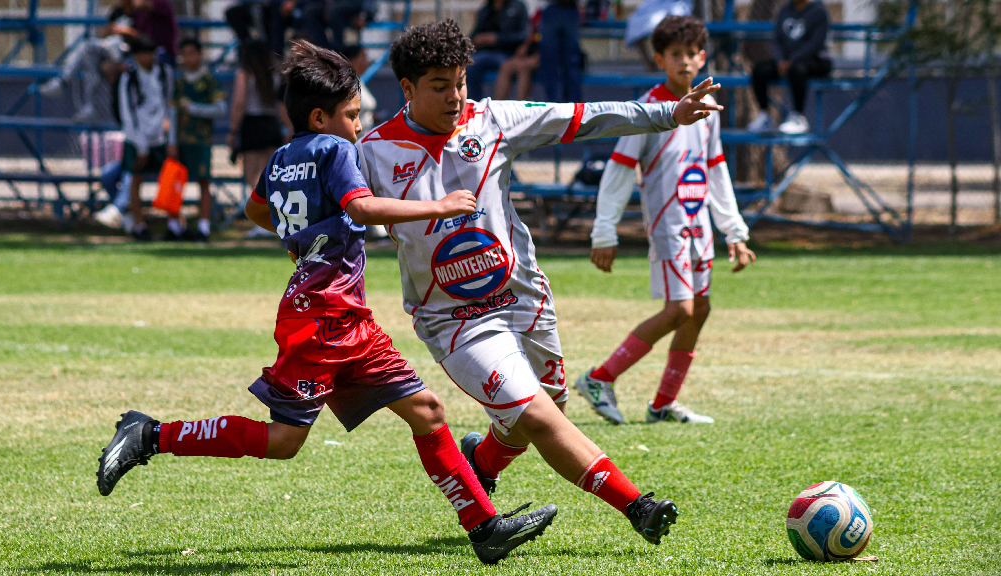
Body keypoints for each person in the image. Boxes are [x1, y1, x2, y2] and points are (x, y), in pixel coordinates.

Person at [96, 40, 557, 566]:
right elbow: (360, 208)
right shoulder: (334, 150)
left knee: (426, 412)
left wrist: (304, 232)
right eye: (353, 116)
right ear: (321, 117)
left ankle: (484, 526)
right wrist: (439, 204)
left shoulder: (280, 157)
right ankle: (151, 434)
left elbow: (256, 211)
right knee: (284, 440)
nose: (360, 127)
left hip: (337, 315)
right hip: (325, 318)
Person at [358, 20, 722, 545]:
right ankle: (637, 505)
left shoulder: (492, 121)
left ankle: (481, 465)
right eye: (440, 86)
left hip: (523, 299)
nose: (456, 96)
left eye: (461, 82)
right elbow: (336, 210)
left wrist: (670, 112)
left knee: (546, 402)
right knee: (537, 412)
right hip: (454, 320)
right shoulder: (373, 153)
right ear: (407, 89)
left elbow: (585, 117)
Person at [576, 16, 755, 426]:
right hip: (668, 227)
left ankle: (662, 405)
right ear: (660, 59)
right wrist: (604, 231)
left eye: (693, 54)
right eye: (676, 54)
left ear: (703, 57)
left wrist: (735, 231)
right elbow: (619, 171)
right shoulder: (648, 111)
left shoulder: (710, 108)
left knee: (701, 308)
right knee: (679, 310)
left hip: (700, 227)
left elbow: (717, 171)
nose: (686, 62)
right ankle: (600, 378)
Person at [229, 40, 291, 238]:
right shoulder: (273, 74)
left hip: (252, 124)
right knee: (271, 176)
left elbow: (239, 103)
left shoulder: (245, 73)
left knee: (253, 176)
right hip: (271, 124)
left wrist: (232, 130)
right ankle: (275, 219)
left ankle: (263, 222)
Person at [118, 35, 177, 242]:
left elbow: (170, 105)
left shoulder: (163, 73)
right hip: (137, 137)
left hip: (160, 136)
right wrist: (141, 146)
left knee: (169, 178)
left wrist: (171, 139)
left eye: (150, 53)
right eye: (141, 54)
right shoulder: (129, 78)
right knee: (136, 179)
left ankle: (174, 224)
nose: (146, 58)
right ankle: (139, 224)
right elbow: (128, 113)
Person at [39, 0, 137, 121]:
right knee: (89, 56)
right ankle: (86, 102)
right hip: (110, 51)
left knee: (89, 48)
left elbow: (141, 39)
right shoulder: (117, 12)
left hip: (128, 54)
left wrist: (125, 31)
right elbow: (104, 34)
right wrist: (112, 30)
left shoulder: (140, 14)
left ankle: (63, 81)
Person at [746, 0, 832, 135]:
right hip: (786, 62)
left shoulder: (819, 11)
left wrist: (792, 60)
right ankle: (765, 116)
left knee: (797, 70)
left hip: (814, 61)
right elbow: (776, 40)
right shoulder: (785, 10)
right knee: (760, 70)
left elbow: (815, 43)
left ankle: (798, 117)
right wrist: (780, 60)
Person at [172, 38, 228, 241]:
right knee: (176, 183)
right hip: (180, 141)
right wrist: (171, 141)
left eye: (192, 53)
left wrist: (194, 108)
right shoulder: (178, 82)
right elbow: (172, 112)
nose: (188, 58)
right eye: (184, 53)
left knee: (204, 182)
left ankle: (203, 226)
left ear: (200, 55)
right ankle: (176, 226)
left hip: (202, 140)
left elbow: (221, 108)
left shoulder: (209, 81)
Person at [466, 0, 529, 101]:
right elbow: (474, 35)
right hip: (483, 53)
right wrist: (477, 39)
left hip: (507, 54)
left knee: (506, 67)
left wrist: (497, 39)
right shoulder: (485, 10)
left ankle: (497, 106)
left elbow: (523, 35)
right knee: (469, 65)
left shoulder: (518, 7)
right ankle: (474, 104)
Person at [537, 0, 582, 102]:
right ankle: (553, 108)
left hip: (570, 9)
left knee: (572, 62)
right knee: (549, 62)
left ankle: (575, 110)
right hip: (551, 9)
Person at [492, 9, 540, 101]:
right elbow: (533, 34)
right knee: (506, 65)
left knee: (523, 67)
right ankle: (497, 105)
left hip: (545, 55)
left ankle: (520, 105)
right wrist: (525, 45)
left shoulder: (556, 12)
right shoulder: (539, 13)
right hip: (531, 52)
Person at [131, 0, 179, 67]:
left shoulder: (162, 3)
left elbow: (145, 5)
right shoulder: (139, 13)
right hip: (145, 54)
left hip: (164, 54)